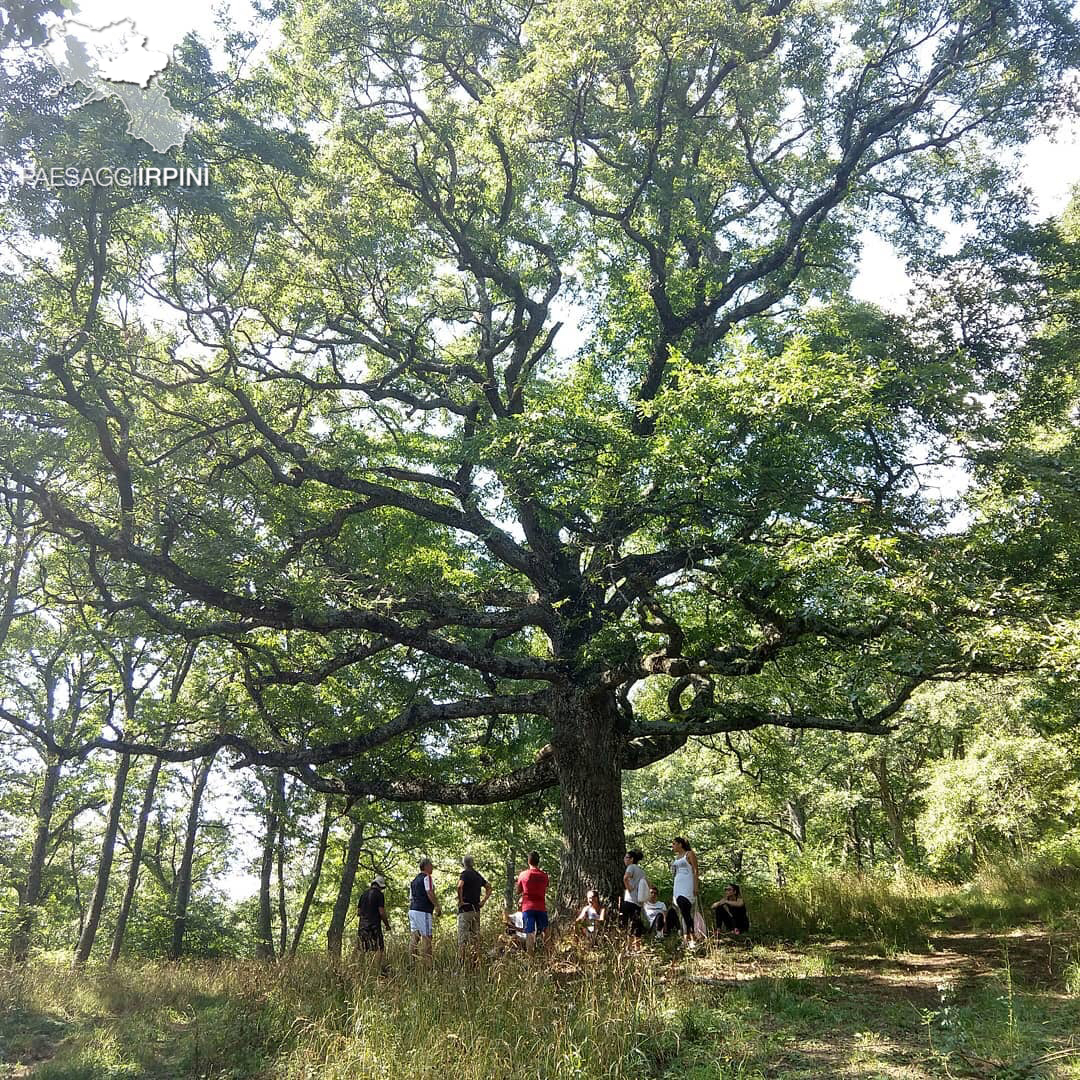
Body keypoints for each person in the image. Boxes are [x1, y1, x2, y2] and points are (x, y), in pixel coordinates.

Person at [456, 854, 492, 967]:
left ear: (464, 864)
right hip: (476, 910)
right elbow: (489, 887)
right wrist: (483, 901)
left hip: (465, 911)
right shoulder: (477, 875)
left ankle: (461, 965)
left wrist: (461, 901)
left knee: (462, 939)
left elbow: (459, 886)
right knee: (475, 939)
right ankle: (475, 964)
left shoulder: (464, 874)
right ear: (472, 863)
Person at [514, 850, 549, 954]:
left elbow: (518, 891)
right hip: (541, 907)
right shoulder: (544, 875)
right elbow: (546, 886)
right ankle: (548, 954)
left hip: (528, 907)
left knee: (529, 931)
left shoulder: (523, 875)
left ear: (528, 861)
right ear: (538, 861)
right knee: (544, 930)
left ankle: (530, 956)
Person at [409, 856, 441, 966]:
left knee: (415, 936)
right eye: (431, 865)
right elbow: (429, 892)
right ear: (426, 866)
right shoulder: (427, 877)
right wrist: (437, 906)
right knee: (427, 937)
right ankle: (428, 965)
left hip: (413, 910)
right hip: (423, 911)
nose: (432, 868)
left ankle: (412, 963)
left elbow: (411, 898)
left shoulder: (413, 881)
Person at [356, 873, 392, 971]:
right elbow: (381, 912)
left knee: (362, 948)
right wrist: (387, 925)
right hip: (374, 926)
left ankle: (359, 970)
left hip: (362, 925)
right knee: (379, 948)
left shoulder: (363, 894)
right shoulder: (379, 895)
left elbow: (358, 912)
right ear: (380, 886)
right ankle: (376, 970)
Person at [671, 836, 700, 945]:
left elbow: (696, 870)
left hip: (687, 883)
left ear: (680, 844)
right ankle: (686, 937)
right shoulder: (677, 857)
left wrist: (696, 886)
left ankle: (692, 938)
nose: (672, 846)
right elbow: (675, 872)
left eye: (674, 844)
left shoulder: (689, 854)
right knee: (683, 911)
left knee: (685, 908)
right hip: (678, 884)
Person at [620, 849, 648, 938]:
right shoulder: (641, 871)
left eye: (626, 857)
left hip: (630, 900)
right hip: (638, 902)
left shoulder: (631, 867)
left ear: (632, 859)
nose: (624, 859)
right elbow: (648, 884)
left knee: (626, 923)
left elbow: (625, 878)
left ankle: (629, 944)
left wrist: (628, 888)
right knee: (636, 923)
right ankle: (637, 945)